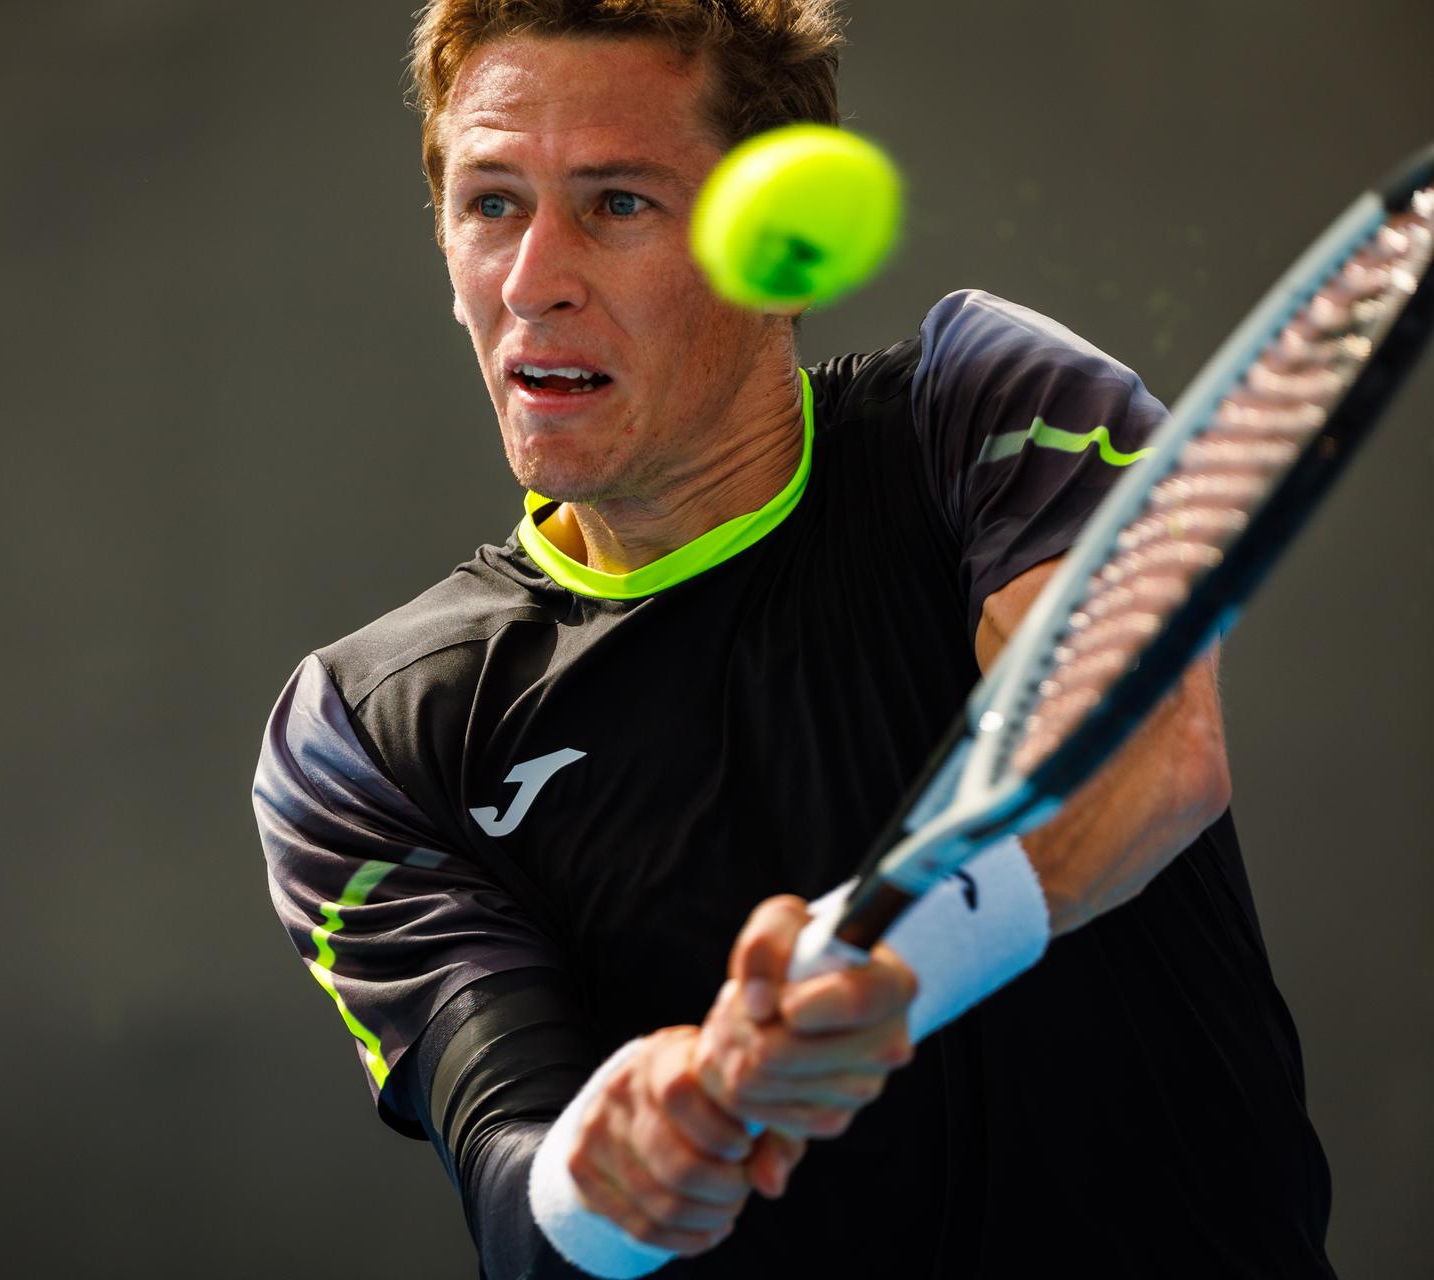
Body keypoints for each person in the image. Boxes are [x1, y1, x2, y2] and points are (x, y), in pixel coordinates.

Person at [253, 2, 1333, 1275]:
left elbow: (1136, 753)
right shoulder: (366, 732)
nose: (535, 278)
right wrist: (609, 1170)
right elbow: (516, 1179)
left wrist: (890, 963)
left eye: (618, 203)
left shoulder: (988, 410)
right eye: (492, 203)